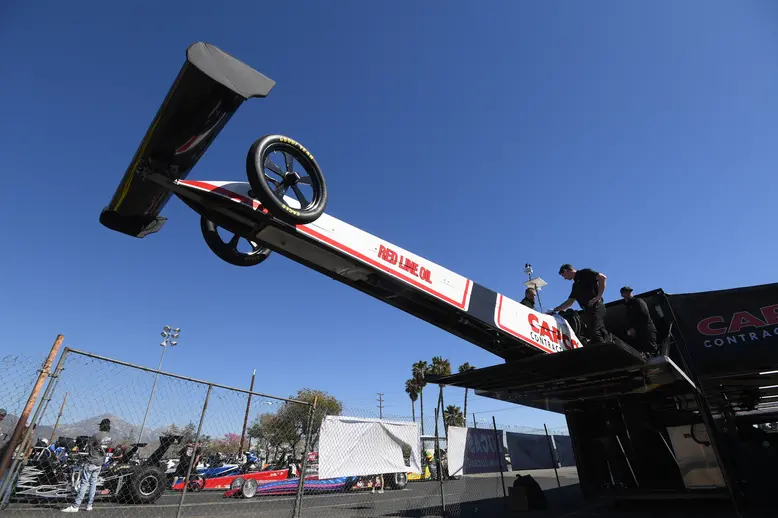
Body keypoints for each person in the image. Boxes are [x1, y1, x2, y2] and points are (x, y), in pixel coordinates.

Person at [549, 264, 609, 344]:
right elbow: (569, 302)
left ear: (566, 271)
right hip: (588, 311)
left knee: (595, 332)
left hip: (596, 307)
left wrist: (598, 297)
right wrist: (555, 310)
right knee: (595, 333)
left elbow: (602, 277)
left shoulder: (584, 273)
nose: (565, 279)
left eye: (564, 276)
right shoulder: (575, 286)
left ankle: (606, 352)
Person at [62, 418, 112, 513]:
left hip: (91, 461)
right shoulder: (110, 437)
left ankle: (76, 505)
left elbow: (88, 447)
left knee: (84, 483)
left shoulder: (96, 435)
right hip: (100, 462)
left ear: (101, 426)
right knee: (93, 483)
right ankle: (89, 505)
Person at [620, 286, 658, 355]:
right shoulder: (627, 307)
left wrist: (633, 328)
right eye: (625, 292)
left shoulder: (638, 301)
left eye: (629, 292)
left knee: (651, 351)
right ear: (622, 294)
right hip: (638, 334)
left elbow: (644, 315)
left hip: (646, 331)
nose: (628, 294)